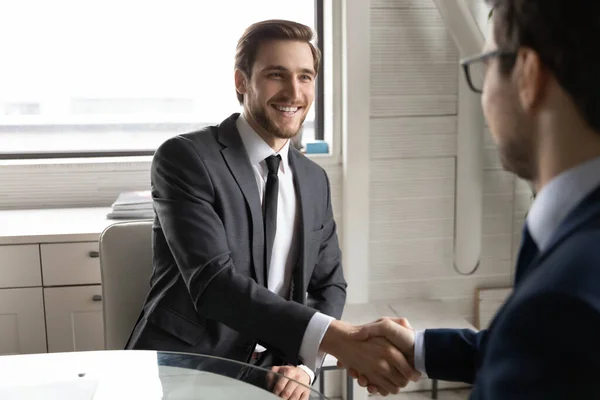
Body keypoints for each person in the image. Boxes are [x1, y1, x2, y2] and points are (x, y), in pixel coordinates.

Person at [125, 19, 416, 399]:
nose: (294, 92)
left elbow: (329, 283)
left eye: (306, 77)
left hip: (275, 371)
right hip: (190, 366)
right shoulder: (186, 158)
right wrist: (339, 338)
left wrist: (302, 365)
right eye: (277, 75)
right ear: (242, 82)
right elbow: (215, 285)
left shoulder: (314, 179)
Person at [344, 0, 600, 398]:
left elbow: (545, 342)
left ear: (529, 75)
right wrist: (422, 349)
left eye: (487, 63)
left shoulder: (561, 304)